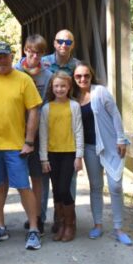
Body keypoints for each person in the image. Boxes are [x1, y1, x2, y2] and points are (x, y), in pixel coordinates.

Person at [0, 42, 44, 251]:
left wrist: (29, 141)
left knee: (23, 186)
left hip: (16, 145)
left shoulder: (23, 79)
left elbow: (34, 110)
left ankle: (34, 229)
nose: (1, 60)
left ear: (11, 56)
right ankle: (0, 226)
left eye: (4, 56)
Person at [74, 62, 132, 245]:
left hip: (110, 145)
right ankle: (98, 224)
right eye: (78, 76)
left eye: (86, 76)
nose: (83, 79)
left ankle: (118, 228)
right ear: (74, 79)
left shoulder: (100, 92)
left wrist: (121, 139)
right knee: (96, 186)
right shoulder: (74, 98)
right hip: (90, 148)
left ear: (91, 76)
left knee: (115, 186)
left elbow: (115, 114)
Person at [14, 34, 53, 233]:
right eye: (31, 51)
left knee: (37, 177)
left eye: (38, 53)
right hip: (15, 132)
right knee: (17, 178)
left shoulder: (47, 76)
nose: (34, 56)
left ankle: (36, 218)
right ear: (25, 50)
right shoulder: (14, 71)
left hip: (38, 134)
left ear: (43, 54)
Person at [39, 71, 84, 241]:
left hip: (69, 152)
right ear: (52, 87)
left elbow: (79, 131)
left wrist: (79, 156)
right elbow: (43, 134)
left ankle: (70, 225)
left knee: (65, 188)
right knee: (56, 190)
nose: (59, 89)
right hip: (52, 154)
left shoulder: (74, 106)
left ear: (69, 87)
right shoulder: (46, 108)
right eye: (56, 86)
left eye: (63, 86)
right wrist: (43, 158)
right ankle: (60, 223)